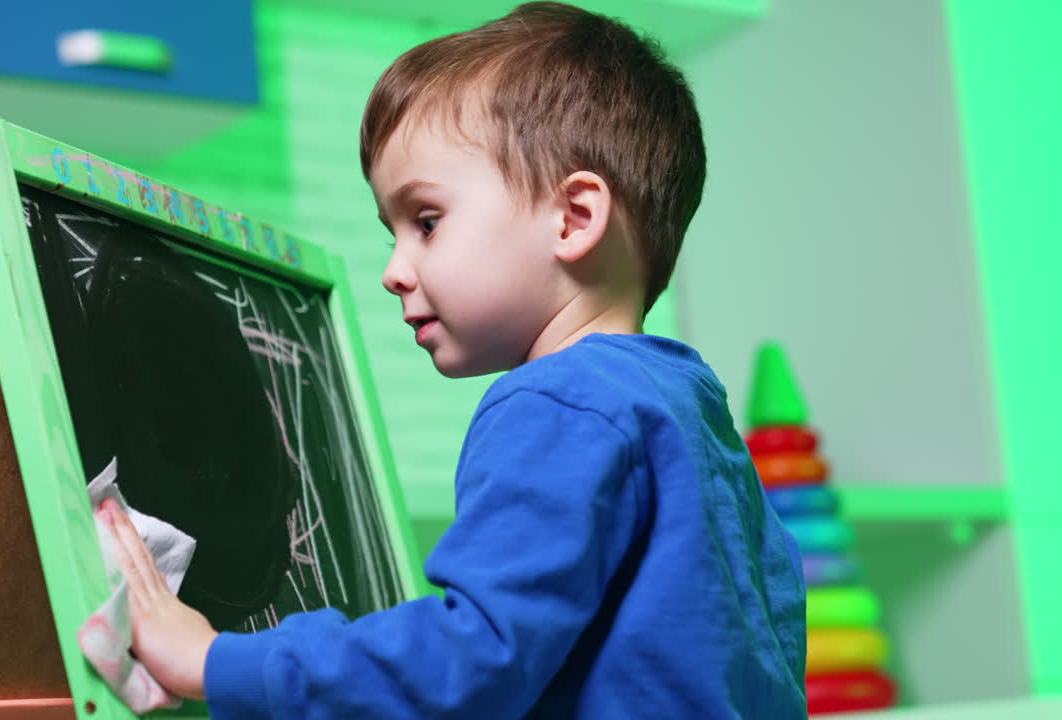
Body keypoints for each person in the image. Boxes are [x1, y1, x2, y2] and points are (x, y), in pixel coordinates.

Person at [98, 2, 808, 717]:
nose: (393, 271)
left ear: (573, 218)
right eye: (392, 235)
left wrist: (214, 660)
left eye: (427, 222)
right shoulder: (689, 407)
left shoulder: (558, 402)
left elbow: (470, 664)